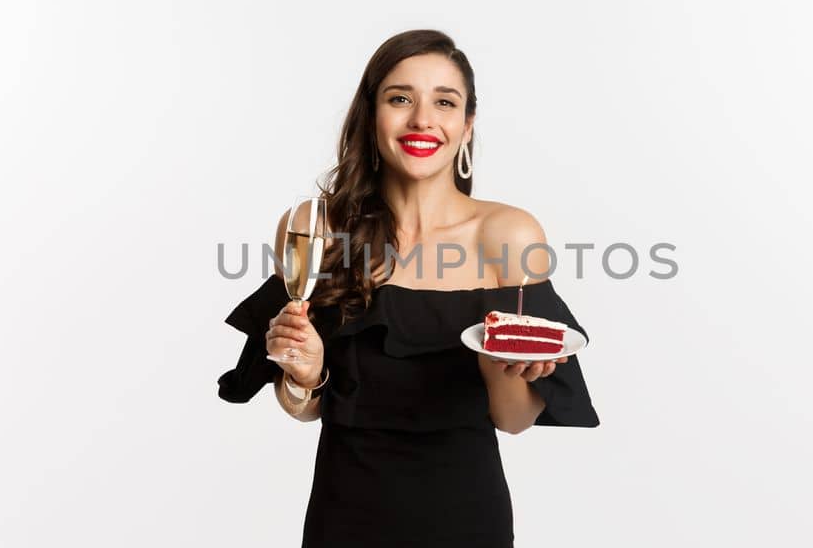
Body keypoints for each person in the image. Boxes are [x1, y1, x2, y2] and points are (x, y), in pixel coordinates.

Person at [217, 29, 599, 548]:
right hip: (343, 515)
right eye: (401, 98)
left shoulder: (508, 236)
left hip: (465, 516)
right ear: (371, 114)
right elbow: (305, 408)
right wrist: (303, 375)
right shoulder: (315, 228)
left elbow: (513, 420)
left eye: (445, 102)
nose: (423, 119)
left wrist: (505, 364)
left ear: (467, 126)